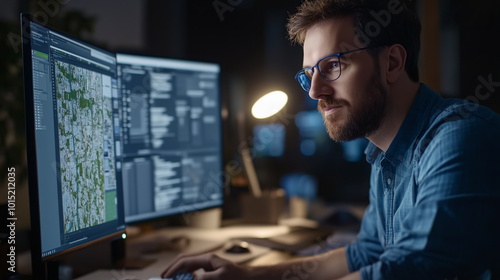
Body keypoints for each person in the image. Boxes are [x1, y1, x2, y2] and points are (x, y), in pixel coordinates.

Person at [162, 0, 500, 279]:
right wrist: (249, 276)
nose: (314, 91)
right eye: (310, 73)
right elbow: (367, 253)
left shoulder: (459, 137)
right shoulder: (385, 156)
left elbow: (412, 270)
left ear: (392, 62)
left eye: (334, 66)